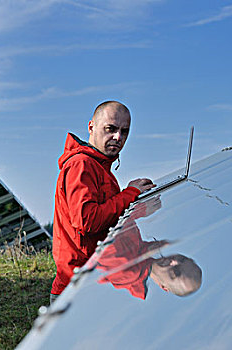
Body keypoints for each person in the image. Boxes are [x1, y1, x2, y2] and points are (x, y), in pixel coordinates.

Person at [50, 101, 155, 303]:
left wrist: (139, 209)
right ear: (91, 127)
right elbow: (87, 221)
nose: (118, 138)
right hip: (76, 287)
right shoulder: (82, 165)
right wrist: (130, 193)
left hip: (92, 281)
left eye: (124, 131)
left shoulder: (99, 167)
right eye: (111, 129)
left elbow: (107, 220)